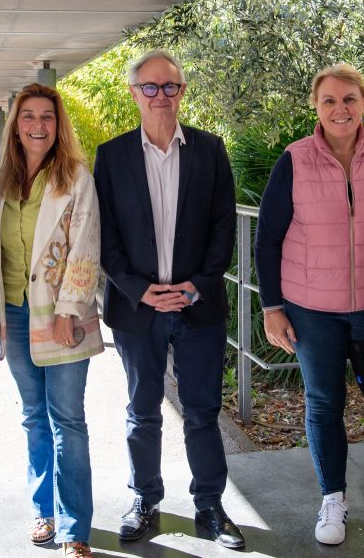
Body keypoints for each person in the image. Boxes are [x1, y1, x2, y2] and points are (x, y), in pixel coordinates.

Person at [93, 50, 244, 550]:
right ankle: (145, 499)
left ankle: (209, 505)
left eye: (170, 87)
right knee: (142, 411)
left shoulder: (209, 150)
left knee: (202, 411)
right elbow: (104, 235)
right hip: (138, 310)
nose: (161, 96)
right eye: (150, 87)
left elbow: (224, 227)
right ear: (134, 93)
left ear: (182, 92)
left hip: (197, 307)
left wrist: (196, 284)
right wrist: (140, 290)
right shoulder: (111, 157)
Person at [255, 63, 364, 546]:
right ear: (315, 106)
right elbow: (267, 238)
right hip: (310, 310)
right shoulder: (295, 159)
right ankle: (333, 500)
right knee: (324, 403)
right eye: (329, 101)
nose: (339, 109)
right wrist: (272, 307)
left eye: (349, 99)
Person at [0, 83, 102, 558]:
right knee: (34, 417)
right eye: (29, 116)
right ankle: (44, 512)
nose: (38, 126)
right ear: (15, 126)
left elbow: (86, 247)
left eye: (47, 117)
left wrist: (69, 310)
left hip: (59, 317)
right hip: (13, 315)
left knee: (67, 420)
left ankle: (75, 529)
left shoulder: (76, 177)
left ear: (59, 126)